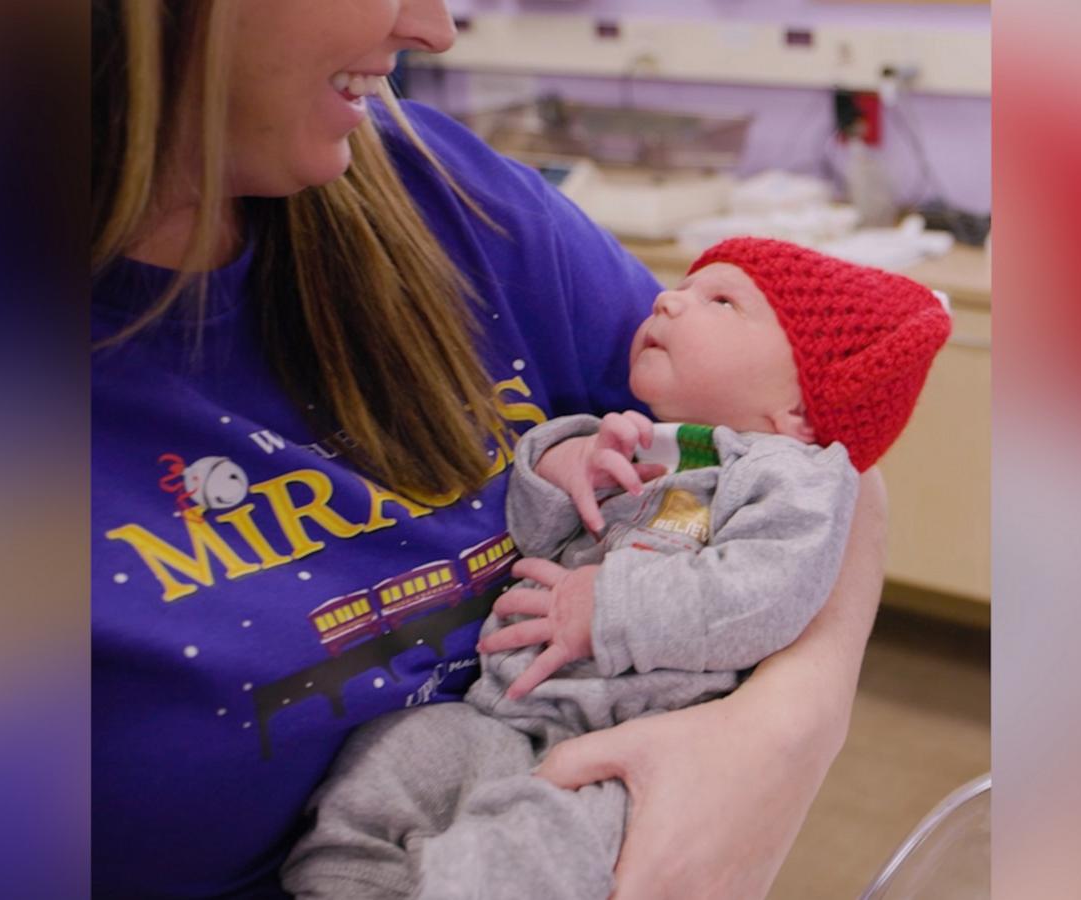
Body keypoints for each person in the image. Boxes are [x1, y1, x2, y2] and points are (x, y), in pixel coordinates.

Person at [91, 2, 891, 897]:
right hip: (455, 751)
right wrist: (563, 466)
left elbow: (824, 463)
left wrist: (781, 735)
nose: (435, 29)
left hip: (558, 759)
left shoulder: (441, 190)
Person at [281, 239, 950, 899]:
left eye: (721, 301)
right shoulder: (636, 438)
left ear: (801, 410)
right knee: (392, 758)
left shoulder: (796, 478)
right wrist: (562, 468)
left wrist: (608, 606)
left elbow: (763, 596)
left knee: (530, 849)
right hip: (499, 714)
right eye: (682, 288)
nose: (668, 300)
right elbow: (538, 541)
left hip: (623, 742)